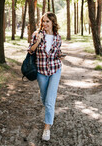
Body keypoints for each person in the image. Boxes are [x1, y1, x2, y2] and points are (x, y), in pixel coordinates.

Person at [27, 12, 64, 141]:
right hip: (41, 71)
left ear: (53, 22)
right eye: (43, 21)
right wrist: (38, 41)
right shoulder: (37, 35)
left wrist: (60, 55)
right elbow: (31, 50)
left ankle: (46, 129)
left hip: (55, 70)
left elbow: (57, 52)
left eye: (47, 21)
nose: (45, 24)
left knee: (49, 101)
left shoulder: (57, 37)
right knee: (45, 98)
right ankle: (50, 109)